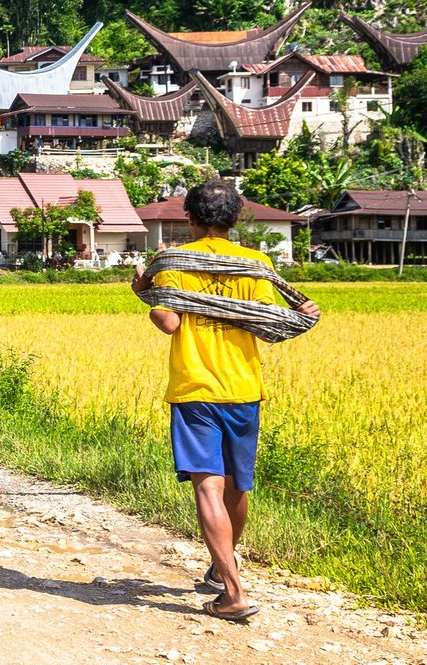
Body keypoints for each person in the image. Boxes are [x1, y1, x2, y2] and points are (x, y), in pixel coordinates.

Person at [131, 181, 319, 623]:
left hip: (196, 387)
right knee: (236, 483)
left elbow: (170, 324)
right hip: (244, 387)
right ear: (236, 220)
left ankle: (232, 591)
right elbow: (265, 325)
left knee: (207, 484)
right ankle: (220, 569)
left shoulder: (171, 262)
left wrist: (148, 297)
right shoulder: (257, 264)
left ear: (190, 219)